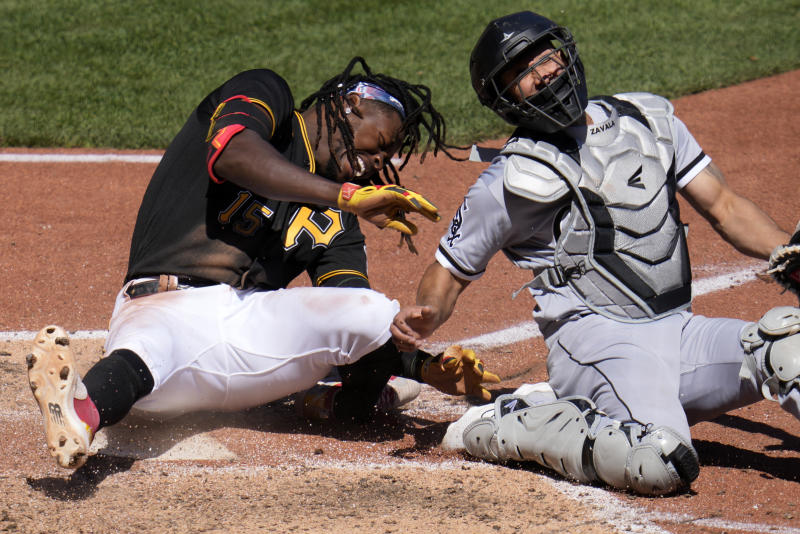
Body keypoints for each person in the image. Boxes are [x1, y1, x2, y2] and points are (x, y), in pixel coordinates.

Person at [391, 11, 800, 504]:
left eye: (546, 59)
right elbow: (448, 270)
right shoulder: (510, 181)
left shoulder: (644, 121)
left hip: (676, 333)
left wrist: (788, 250)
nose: (543, 75)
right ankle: (511, 423)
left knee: (786, 341)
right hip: (597, 344)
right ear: (504, 98)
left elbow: (726, 206)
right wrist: (425, 316)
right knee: (663, 461)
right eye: (523, 74)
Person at [26, 57, 499, 470]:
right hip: (161, 311)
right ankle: (78, 412)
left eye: (385, 157)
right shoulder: (266, 96)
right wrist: (346, 196)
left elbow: (351, 333)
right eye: (379, 143)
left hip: (247, 336)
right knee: (144, 353)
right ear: (351, 105)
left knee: (370, 310)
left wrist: (422, 365)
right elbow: (232, 155)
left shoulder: (340, 219)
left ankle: (332, 404)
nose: (376, 163)